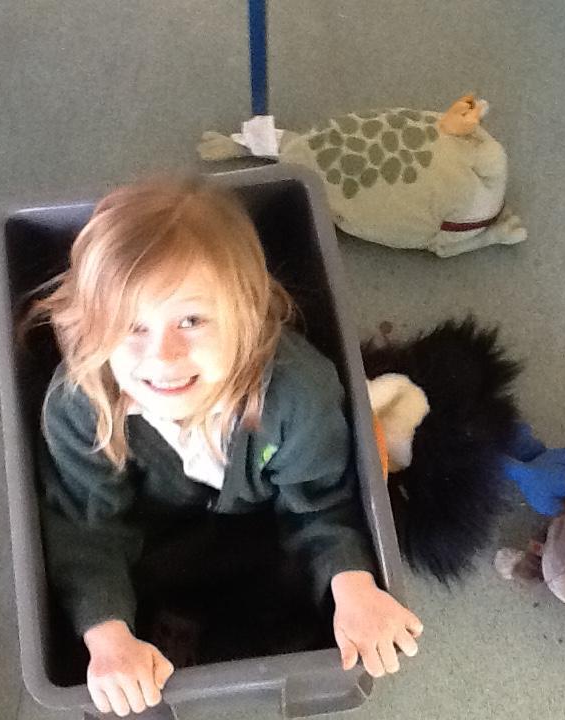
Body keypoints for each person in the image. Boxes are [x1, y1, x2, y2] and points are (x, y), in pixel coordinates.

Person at [27, 177, 423, 717]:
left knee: (286, 584)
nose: (163, 356)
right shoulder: (81, 404)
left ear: (246, 312)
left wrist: (353, 586)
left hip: (266, 534)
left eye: (190, 320)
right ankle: (174, 615)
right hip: (154, 540)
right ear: (93, 327)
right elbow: (87, 526)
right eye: (131, 326)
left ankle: (225, 619)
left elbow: (321, 502)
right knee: (137, 579)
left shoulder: (298, 393)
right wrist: (108, 635)